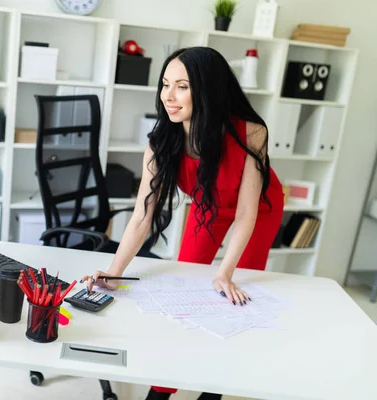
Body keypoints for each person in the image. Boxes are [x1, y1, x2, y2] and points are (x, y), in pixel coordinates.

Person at [80, 46, 285, 400]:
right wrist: (113, 271)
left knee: (233, 301)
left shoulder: (250, 133)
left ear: (206, 90)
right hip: (209, 206)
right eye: (164, 85)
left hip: (259, 211)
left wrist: (224, 272)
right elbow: (143, 214)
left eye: (182, 87)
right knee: (184, 296)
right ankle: (161, 390)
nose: (168, 97)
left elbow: (245, 213)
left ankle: (213, 390)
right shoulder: (161, 142)